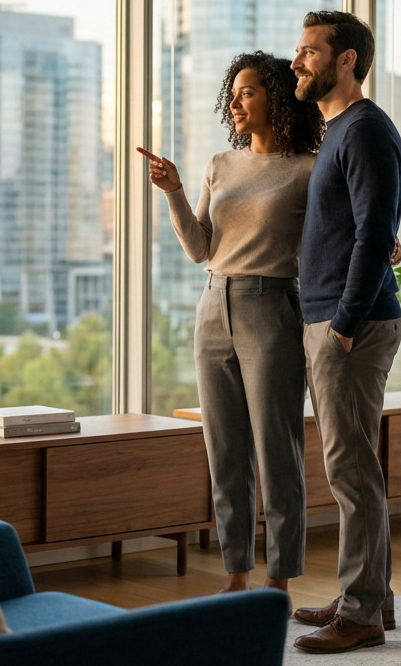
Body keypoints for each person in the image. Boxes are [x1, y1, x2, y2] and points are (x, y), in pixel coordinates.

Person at [138, 51, 321, 594]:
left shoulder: (309, 168)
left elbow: (339, 231)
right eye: (233, 94)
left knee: (277, 450)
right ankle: (236, 577)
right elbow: (200, 248)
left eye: (248, 92)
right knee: (224, 451)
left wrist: (385, 245)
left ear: (276, 98)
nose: (236, 103)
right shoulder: (220, 164)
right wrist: (173, 191)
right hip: (213, 305)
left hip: (272, 308)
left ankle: (279, 582)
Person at [288, 11, 401, 654]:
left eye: (310, 51)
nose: (297, 61)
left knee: (351, 470)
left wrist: (343, 324)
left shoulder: (363, 129)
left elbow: (374, 234)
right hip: (336, 320)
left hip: (350, 327)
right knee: (352, 466)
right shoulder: (340, 130)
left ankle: (360, 614)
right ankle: (370, 595)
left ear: (346, 60)